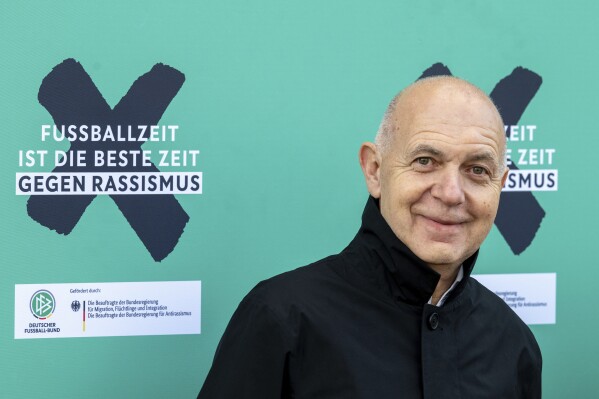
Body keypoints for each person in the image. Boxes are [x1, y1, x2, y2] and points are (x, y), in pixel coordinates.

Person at [197, 76, 542, 398]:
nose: (451, 193)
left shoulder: (514, 344)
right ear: (374, 170)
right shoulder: (282, 318)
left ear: (500, 186)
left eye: (477, 170)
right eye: (425, 161)